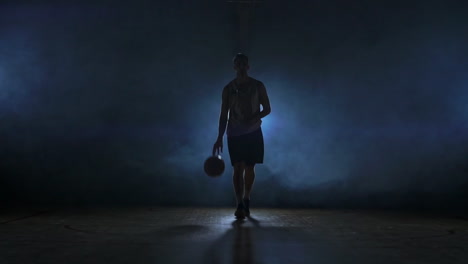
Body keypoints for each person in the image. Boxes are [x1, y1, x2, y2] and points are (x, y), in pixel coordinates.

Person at [212, 53, 271, 219]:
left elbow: (267, 108)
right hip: (234, 132)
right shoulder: (228, 89)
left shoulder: (258, 85)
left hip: (253, 131)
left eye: (244, 63)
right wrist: (219, 137)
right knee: (237, 167)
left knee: (250, 168)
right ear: (234, 67)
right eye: (238, 63)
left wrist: (253, 118)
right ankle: (239, 204)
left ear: (248, 66)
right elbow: (224, 114)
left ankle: (246, 198)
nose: (241, 66)